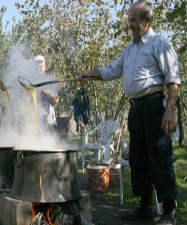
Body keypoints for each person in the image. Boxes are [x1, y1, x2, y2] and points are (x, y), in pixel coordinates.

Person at [79, 1, 180, 225]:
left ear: (147, 21)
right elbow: (112, 70)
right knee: (138, 160)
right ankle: (144, 208)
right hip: (136, 110)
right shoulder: (130, 49)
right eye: (129, 21)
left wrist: (170, 110)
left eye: (134, 21)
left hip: (155, 108)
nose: (130, 25)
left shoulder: (159, 43)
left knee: (159, 158)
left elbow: (174, 79)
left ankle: (169, 212)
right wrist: (90, 74)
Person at [34, 55, 60, 130]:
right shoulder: (31, 81)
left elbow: (56, 100)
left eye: (41, 64)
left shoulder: (49, 81)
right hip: (34, 120)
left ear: (45, 66)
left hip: (49, 120)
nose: (39, 66)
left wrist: (44, 92)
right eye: (37, 64)